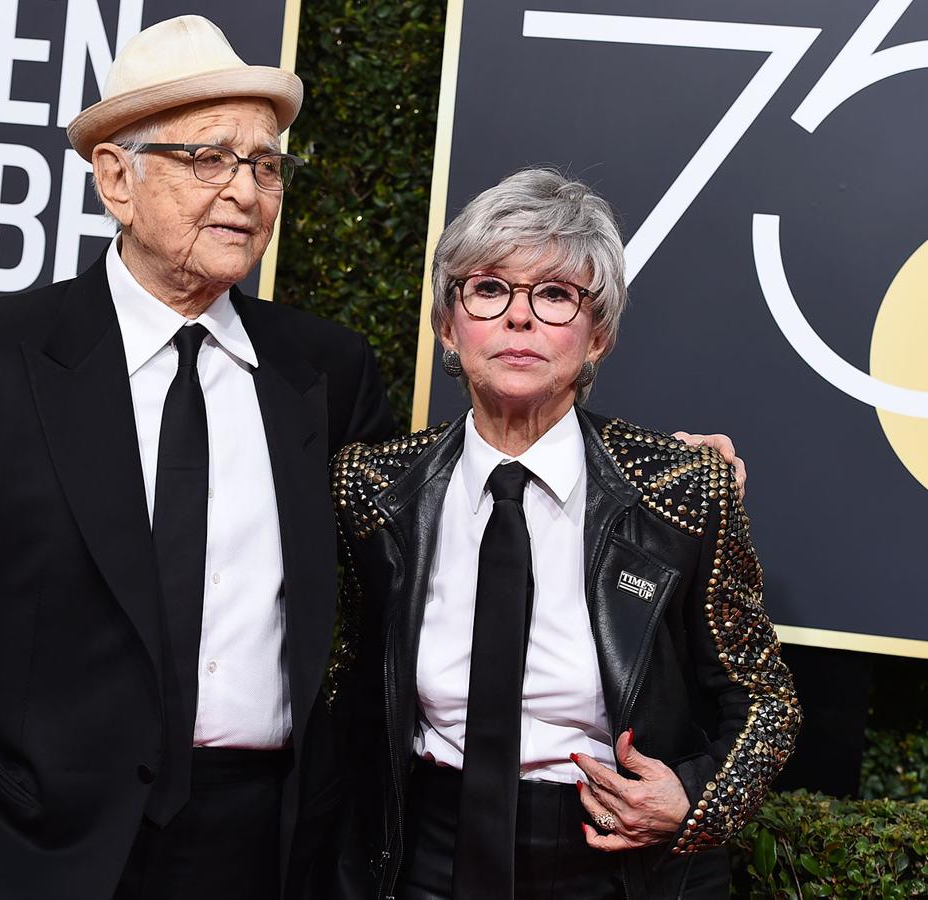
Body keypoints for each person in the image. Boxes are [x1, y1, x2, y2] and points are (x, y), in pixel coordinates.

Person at [0, 16, 395, 900]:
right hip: (17, 852)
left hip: (259, 854)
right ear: (116, 179)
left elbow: (406, 559)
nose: (246, 192)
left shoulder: (326, 371)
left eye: (266, 163)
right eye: (210, 159)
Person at [330, 168, 800, 900]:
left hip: (615, 864)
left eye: (554, 295)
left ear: (598, 335)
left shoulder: (681, 490)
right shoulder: (370, 488)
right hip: (422, 856)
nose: (519, 318)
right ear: (446, 325)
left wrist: (692, 800)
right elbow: (336, 684)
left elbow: (764, 700)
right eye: (488, 289)